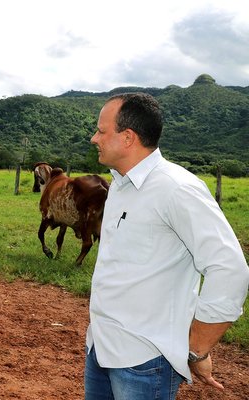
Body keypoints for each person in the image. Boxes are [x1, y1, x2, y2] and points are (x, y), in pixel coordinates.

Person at [85, 92, 249, 399]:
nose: (94, 138)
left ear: (128, 137)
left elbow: (230, 269)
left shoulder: (177, 189)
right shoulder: (120, 185)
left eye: (102, 131)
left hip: (145, 362)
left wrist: (197, 348)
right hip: (101, 346)